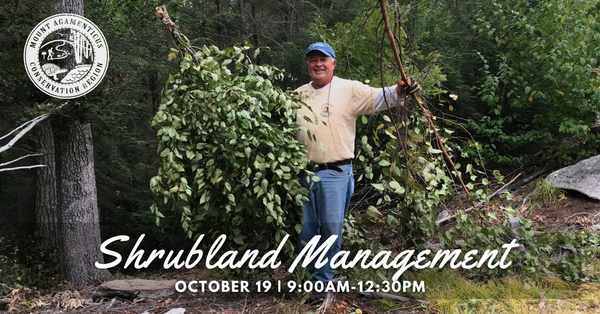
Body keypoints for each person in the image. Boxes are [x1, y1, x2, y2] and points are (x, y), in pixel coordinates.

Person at [295, 42, 420, 282]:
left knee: (330, 229)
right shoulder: (298, 94)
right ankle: (303, 280)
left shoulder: (348, 89)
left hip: (335, 173)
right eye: (313, 59)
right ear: (308, 64)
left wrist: (402, 88)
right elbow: (271, 108)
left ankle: (322, 282)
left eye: (323, 59)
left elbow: (381, 97)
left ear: (333, 62)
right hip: (304, 174)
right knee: (306, 229)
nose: (318, 64)